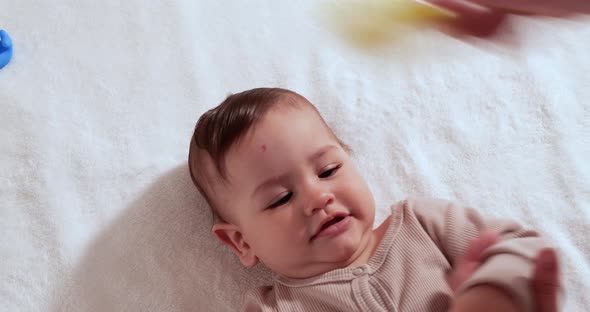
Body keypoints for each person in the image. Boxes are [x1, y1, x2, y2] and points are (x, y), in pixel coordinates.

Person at [188, 88, 561, 311]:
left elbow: (524, 248)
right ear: (241, 241)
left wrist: (491, 293)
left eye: (328, 170)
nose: (319, 197)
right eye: (281, 198)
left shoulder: (423, 224)